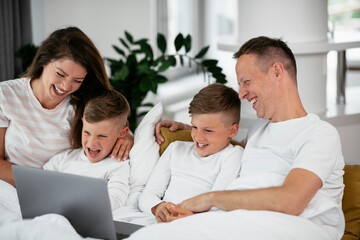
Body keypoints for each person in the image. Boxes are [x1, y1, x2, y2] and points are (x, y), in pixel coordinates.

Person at [128, 36, 345, 240]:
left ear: (277, 71)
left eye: (246, 81)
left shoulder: (319, 133)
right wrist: (196, 129)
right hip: (238, 220)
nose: (241, 94)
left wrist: (209, 199)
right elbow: (227, 149)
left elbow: (292, 201)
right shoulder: (259, 129)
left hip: (287, 225)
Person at [0, 26, 133, 187]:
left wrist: (127, 136)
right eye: (60, 74)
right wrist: (45, 183)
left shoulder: (83, 103)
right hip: (12, 187)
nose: (65, 86)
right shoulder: (5, 95)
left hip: (64, 191)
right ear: (44, 60)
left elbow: (111, 126)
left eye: (77, 80)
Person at [138, 83, 243, 223]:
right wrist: (158, 207)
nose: (198, 137)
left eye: (208, 130)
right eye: (194, 127)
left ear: (232, 131)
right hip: (159, 220)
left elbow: (218, 203)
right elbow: (148, 195)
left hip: (195, 223)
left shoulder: (232, 155)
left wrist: (190, 219)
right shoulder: (176, 148)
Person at [43, 90, 131, 211]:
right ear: (83, 122)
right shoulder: (65, 158)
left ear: (122, 133)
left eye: (102, 136)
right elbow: (41, 184)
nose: (92, 143)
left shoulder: (118, 166)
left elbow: (116, 201)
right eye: (87, 133)